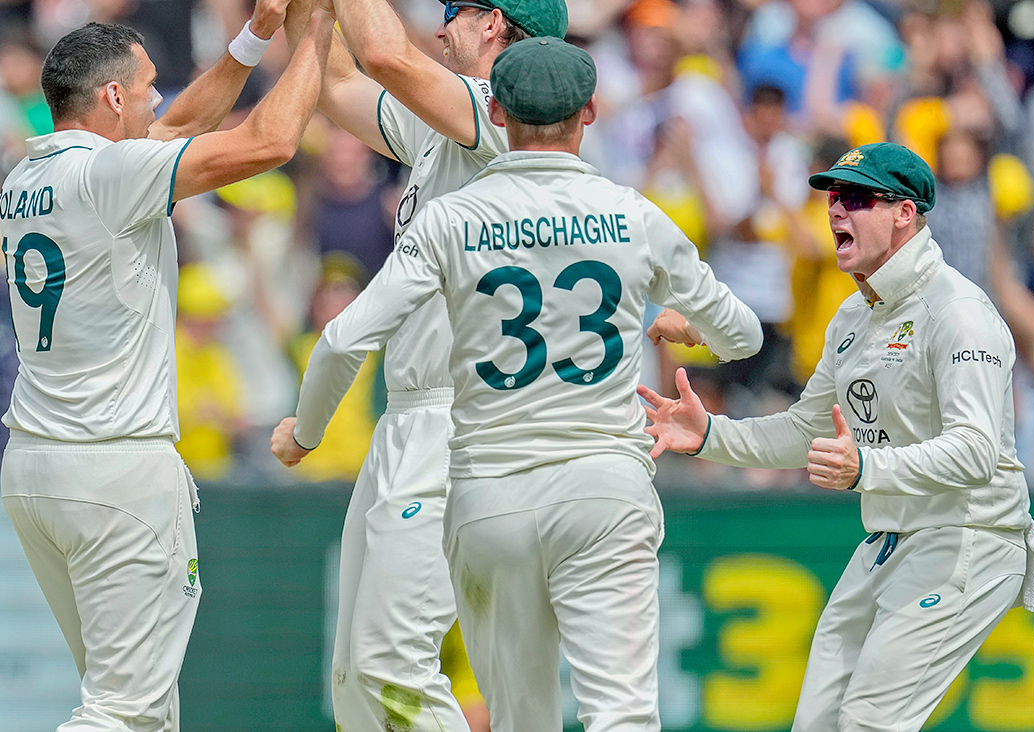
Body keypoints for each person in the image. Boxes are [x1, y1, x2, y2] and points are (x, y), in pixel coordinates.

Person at [273, 37, 763, 732]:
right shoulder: (633, 212)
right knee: (623, 714)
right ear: (590, 111)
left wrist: (305, 432)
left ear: (496, 112)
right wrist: (690, 327)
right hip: (603, 483)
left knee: (518, 718)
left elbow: (344, 339)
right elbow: (744, 333)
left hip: (490, 492)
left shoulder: (449, 218)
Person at [237, 0, 571, 732]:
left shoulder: (497, 113)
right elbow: (342, 84)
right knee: (359, 679)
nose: (442, 24)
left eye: (454, 12)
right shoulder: (445, 124)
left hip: (461, 426)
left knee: (388, 666)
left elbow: (380, 53)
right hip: (417, 419)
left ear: (494, 27)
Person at [0, 0, 333, 730]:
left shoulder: (29, 175)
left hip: (38, 467)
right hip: (115, 468)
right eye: (146, 89)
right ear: (112, 100)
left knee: (140, 709)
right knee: (123, 709)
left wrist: (253, 38)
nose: (158, 100)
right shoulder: (110, 175)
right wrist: (314, 31)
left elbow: (180, 126)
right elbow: (270, 143)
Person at [640, 142, 1034, 732]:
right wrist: (711, 435)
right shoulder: (854, 317)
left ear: (905, 213)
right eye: (834, 198)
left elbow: (978, 452)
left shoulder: (959, 311)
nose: (837, 211)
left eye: (857, 199)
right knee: (816, 723)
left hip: (970, 536)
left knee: (867, 724)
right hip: (889, 536)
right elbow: (804, 430)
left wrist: (867, 469)